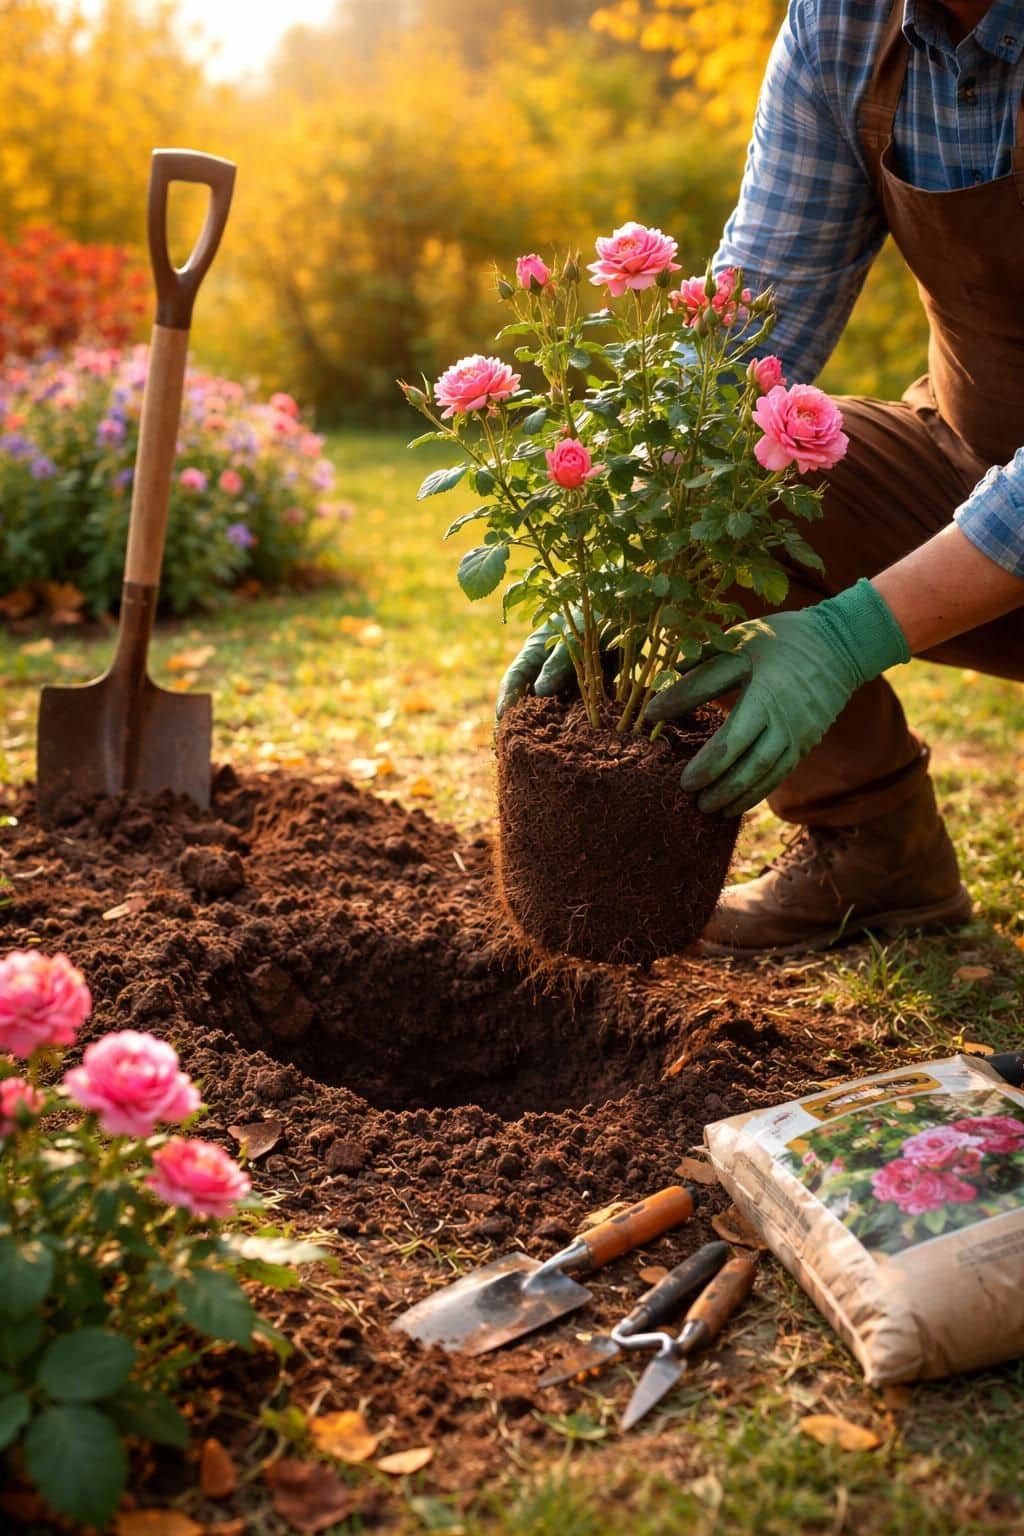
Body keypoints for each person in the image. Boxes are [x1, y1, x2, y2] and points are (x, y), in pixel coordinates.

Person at [498, 0, 1024, 957]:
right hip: (973, 458)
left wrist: (848, 635)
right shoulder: (846, 26)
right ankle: (875, 858)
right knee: (731, 478)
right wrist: (621, 558)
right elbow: (743, 340)